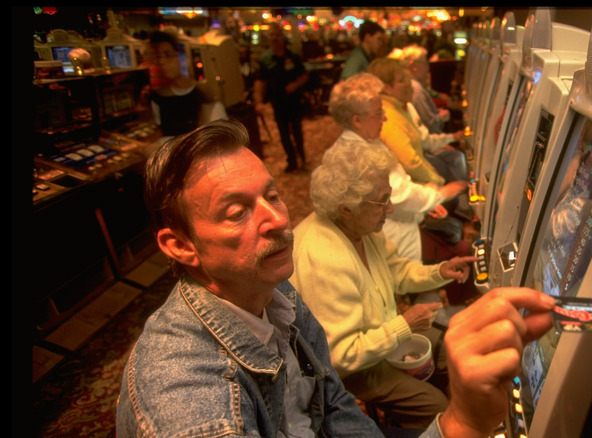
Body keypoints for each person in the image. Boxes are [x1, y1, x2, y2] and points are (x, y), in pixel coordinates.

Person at [115, 118, 556, 438]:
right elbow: (343, 367)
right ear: (180, 246)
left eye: (272, 196)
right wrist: (461, 425)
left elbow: (328, 400)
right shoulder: (186, 395)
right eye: (237, 213)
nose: (275, 220)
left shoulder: (276, 292)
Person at [289, 138, 475, 429]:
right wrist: (405, 325)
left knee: (456, 346)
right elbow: (341, 357)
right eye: (382, 201)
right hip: (353, 370)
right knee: (438, 410)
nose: (390, 210)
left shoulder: (360, 227)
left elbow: (398, 272)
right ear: (346, 208)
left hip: (381, 338)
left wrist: (441, 271)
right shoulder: (324, 258)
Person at [328, 72, 466, 263]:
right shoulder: (359, 156)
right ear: (357, 121)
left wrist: (426, 203)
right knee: (462, 251)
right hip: (388, 237)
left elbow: (399, 188)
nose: (384, 119)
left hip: (399, 221)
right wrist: (440, 194)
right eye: (378, 114)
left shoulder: (366, 141)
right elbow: (400, 197)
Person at [367, 57, 466, 187]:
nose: (409, 84)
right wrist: (439, 183)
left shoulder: (403, 107)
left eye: (408, 78)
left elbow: (422, 142)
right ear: (387, 89)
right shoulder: (390, 116)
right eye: (402, 81)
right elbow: (410, 162)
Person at [146, 30, 226, 139]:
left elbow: (217, 139)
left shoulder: (205, 96)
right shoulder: (158, 97)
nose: (162, 62)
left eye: (168, 55)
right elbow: (162, 129)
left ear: (185, 58)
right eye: (158, 57)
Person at [256, 22, 310, 172]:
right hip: (278, 102)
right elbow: (261, 82)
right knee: (283, 133)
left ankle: (302, 157)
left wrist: (296, 84)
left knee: (297, 131)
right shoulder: (265, 59)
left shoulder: (292, 56)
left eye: (277, 35)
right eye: (271, 35)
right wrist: (259, 102)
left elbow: (305, 75)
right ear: (268, 38)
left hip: (294, 100)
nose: (274, 38)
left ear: (282, 37)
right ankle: (291, 160)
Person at [390, 45, 451, 135]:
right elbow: (430, 126)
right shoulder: (415, 89)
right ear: (413, 65)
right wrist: (442, 116)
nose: (427, 68)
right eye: (425, 63)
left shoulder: (412, 85)